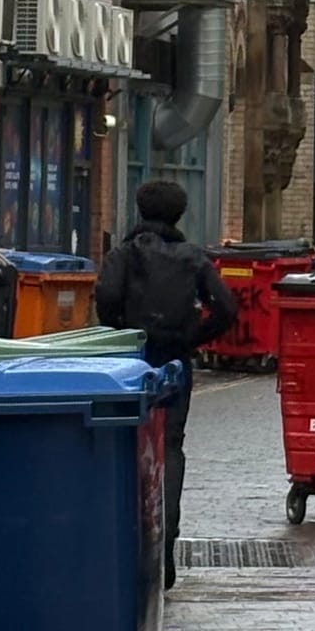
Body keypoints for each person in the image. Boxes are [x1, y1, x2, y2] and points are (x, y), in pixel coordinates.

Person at [96, 180, 238, 589]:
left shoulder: (124, 253)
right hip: (175, 362)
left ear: (139, 210)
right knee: (169, 449)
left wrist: (121, 331)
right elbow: (226, 308)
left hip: (128, 363)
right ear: (180, 214)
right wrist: (190, 337)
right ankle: (165, 549)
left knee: (125, 447)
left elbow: (106, 296)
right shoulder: (193, 259)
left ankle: (126, 546)